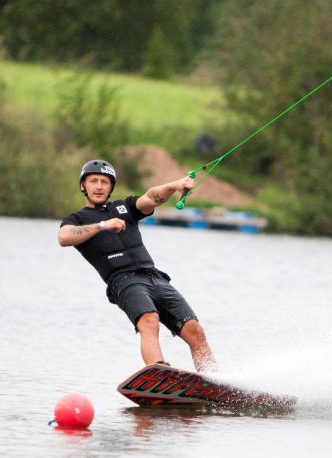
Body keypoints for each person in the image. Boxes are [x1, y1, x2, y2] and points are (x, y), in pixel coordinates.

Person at [58, 159, 216, 372]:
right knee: (149, 320)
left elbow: (152, 197)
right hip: (123, 281)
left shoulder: (125, 207)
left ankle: (214, 382)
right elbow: (64, 237)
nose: (98, 186)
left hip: (155, 277)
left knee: (195, 330)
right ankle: (158, 372)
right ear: (82, 186)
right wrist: (104, 225)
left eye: (104, 182)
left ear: (110, 187)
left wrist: (176, 185)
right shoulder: (78, 219)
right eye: (93, 181)